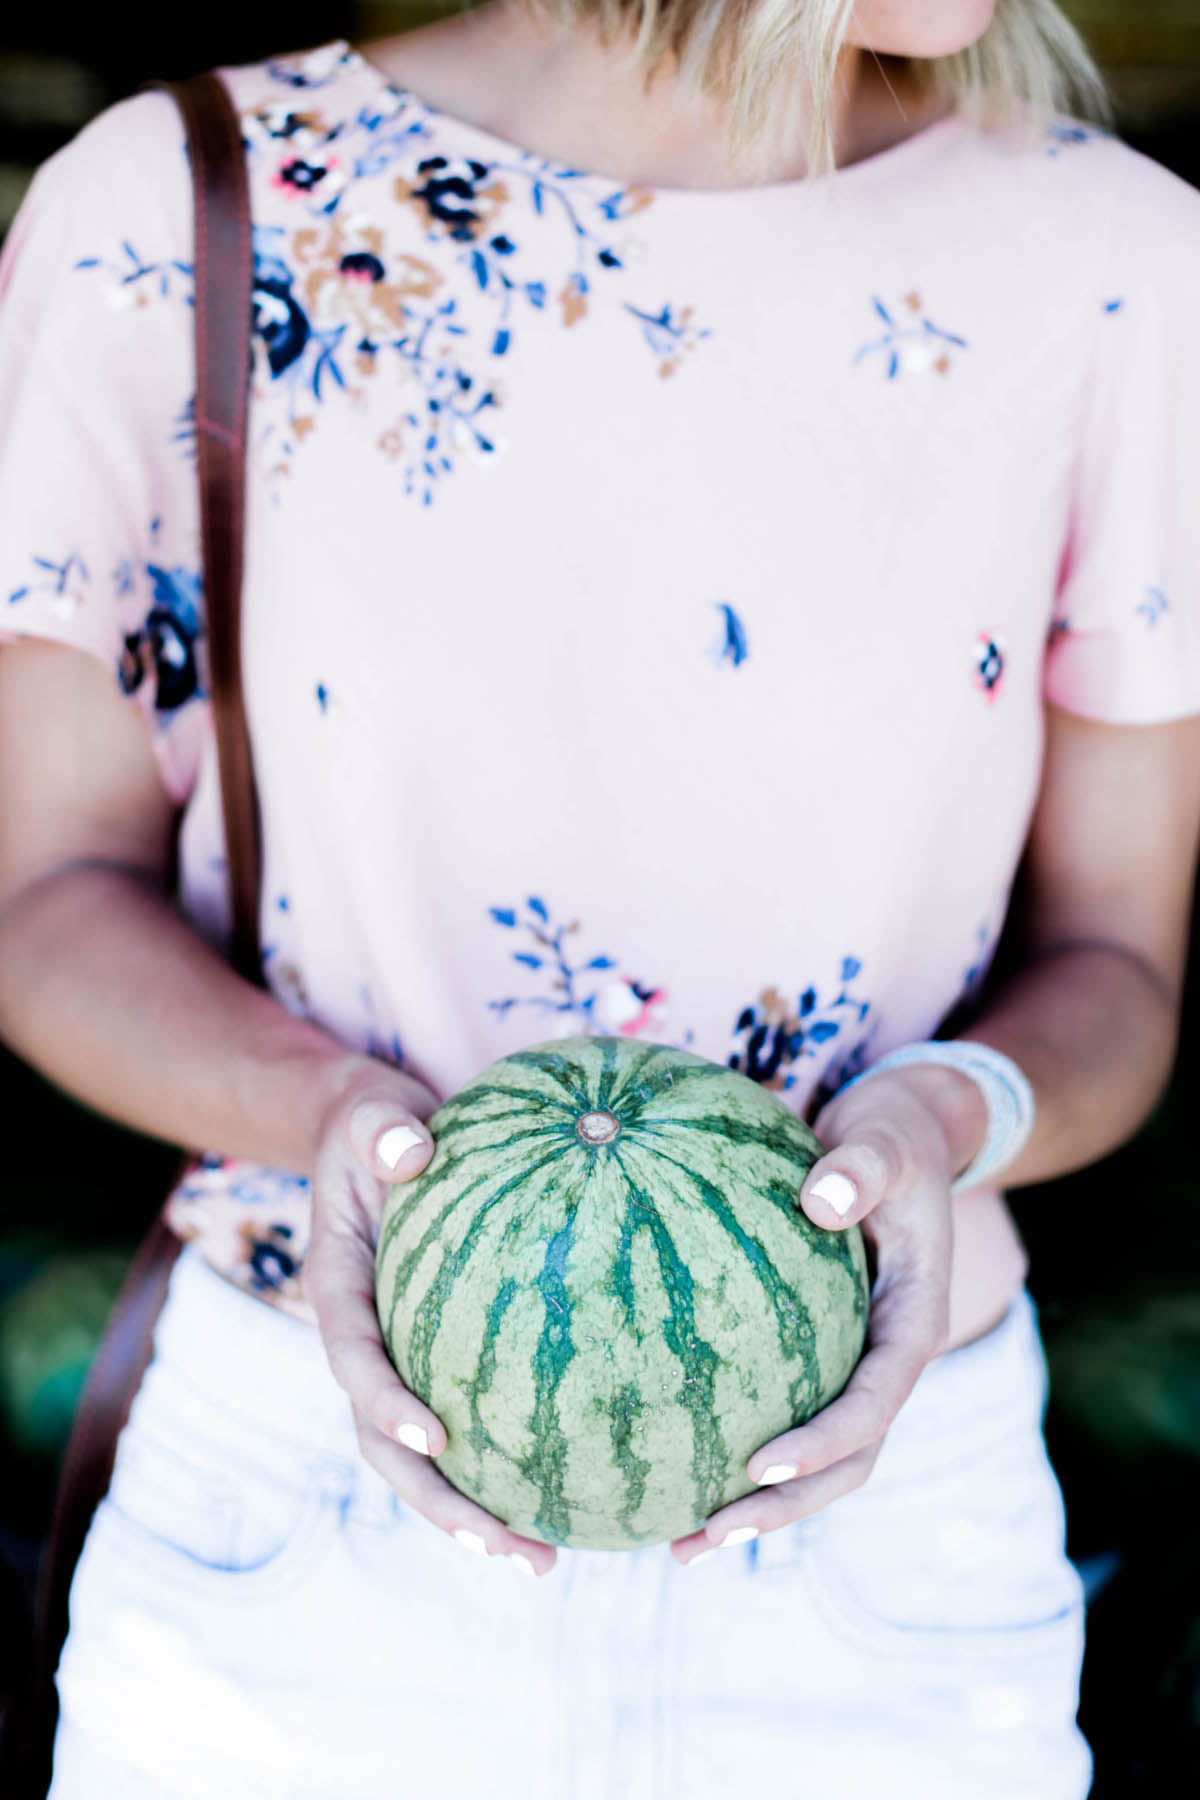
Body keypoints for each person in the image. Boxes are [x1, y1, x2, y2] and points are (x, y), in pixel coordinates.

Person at [1, 0, 1198, 1792]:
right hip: (303, 1520)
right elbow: (43, 906)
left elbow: (1120, 967)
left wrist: (949, 1115)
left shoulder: (1121, 266)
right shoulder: (178, 209)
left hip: (886, 1537)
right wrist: (335, 1117)